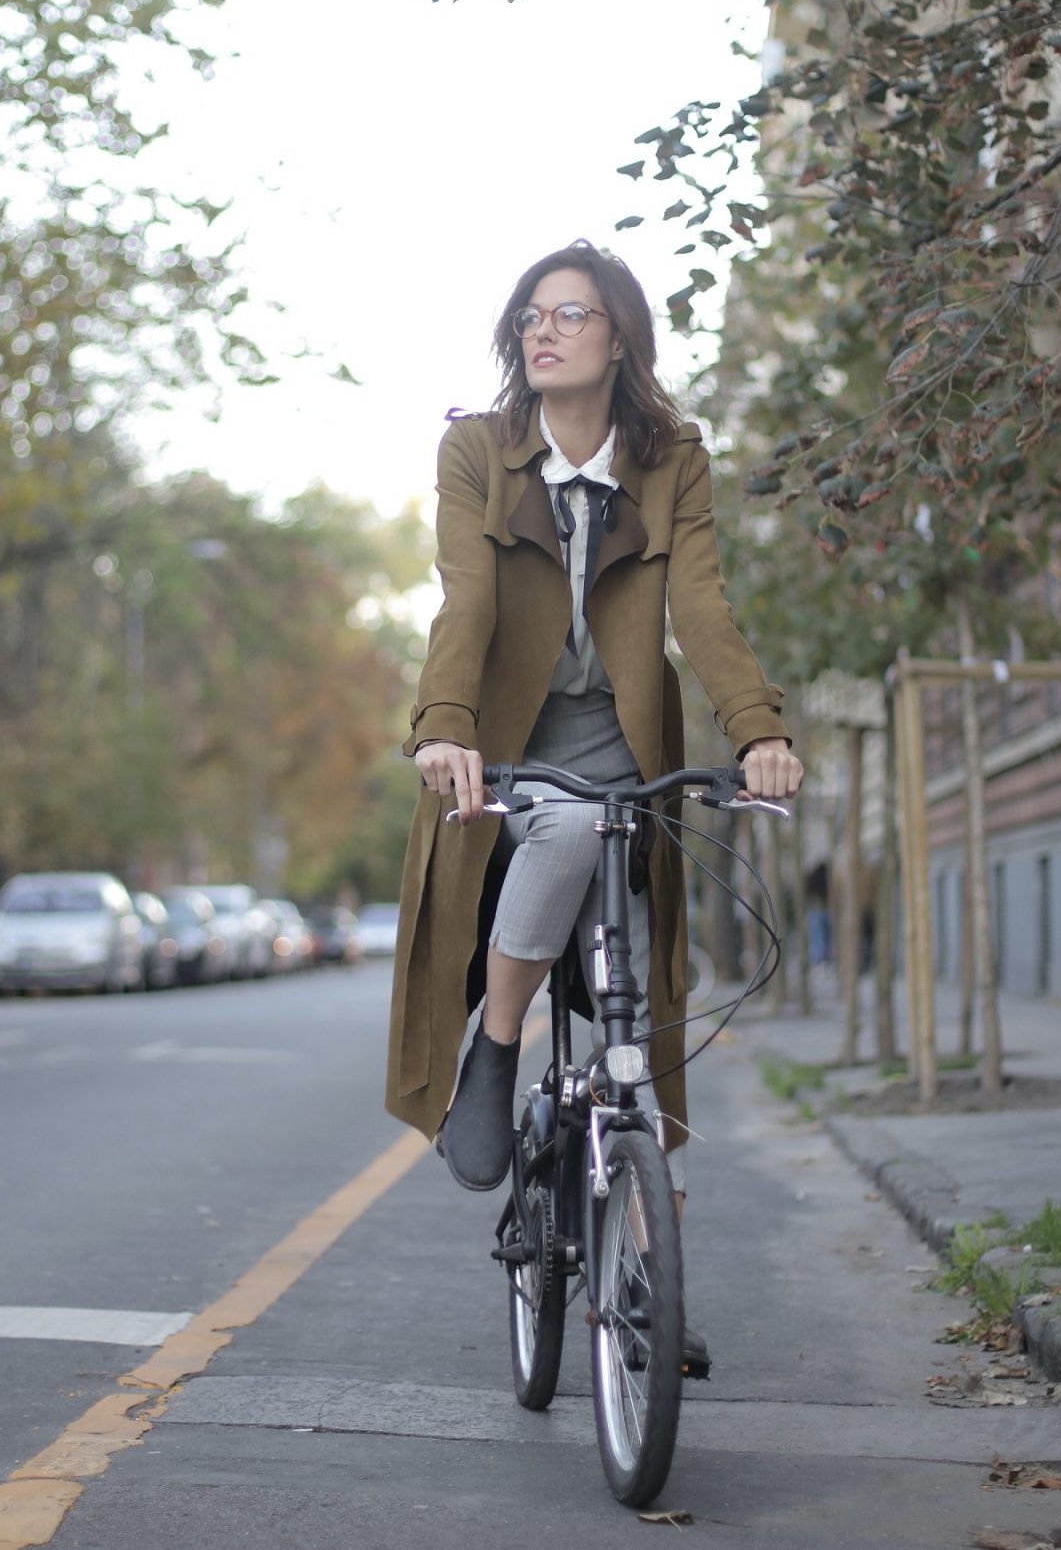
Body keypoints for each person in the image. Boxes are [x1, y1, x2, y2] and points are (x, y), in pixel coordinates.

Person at [388, 241, 803, 1374]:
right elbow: (464, 601)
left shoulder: (673, 460)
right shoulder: (478, 449)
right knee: (567, 826)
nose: (543, 329)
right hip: (510, 758)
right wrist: (444, 728)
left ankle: (652, 1285)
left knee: (638, 1029)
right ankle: (498, 1042)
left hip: (630, 754)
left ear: (620, 337)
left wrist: (757, 728)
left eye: (570, 313)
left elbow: (702, 609)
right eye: (530, 313)